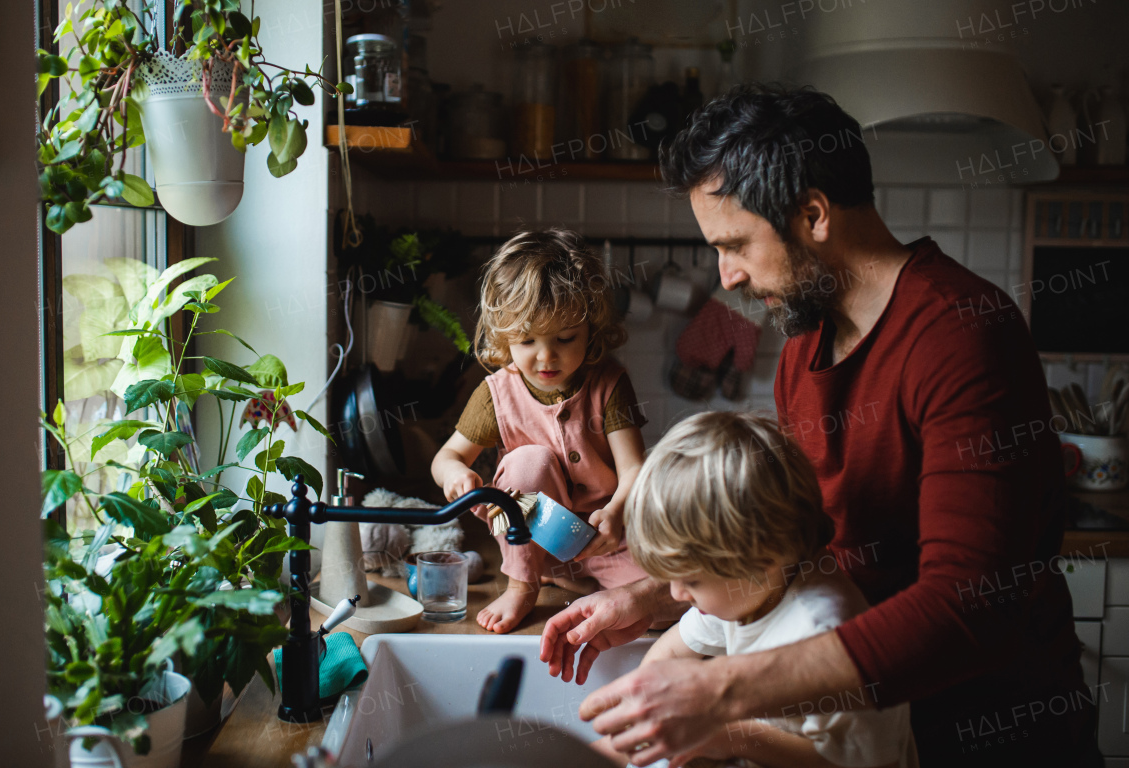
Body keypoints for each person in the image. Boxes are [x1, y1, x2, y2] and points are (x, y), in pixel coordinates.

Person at [538, 84, 1098, 767]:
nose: (730, 277)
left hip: (990, 737)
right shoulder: (805, 346)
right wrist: (654, 595)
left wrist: (720, 692)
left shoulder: (962, 334)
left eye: (735, 244)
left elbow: (965, 605)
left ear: (813, 213)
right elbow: (786, 541)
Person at [593, 411, 917, 768]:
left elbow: (855, 763)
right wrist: (629, 727)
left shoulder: (822, 633)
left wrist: (727, 736)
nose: (675, 595)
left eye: (691, 581)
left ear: (760, 558)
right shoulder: (747, 590)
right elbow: (670, 656)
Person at [430, 229, 649, 634]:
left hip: (605, 539)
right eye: (527, 340)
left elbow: (635, 469)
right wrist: (455, 475)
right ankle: (523, 583)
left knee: (663, 604)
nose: (546, 356)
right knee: (527, 462)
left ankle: (573, 573)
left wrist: (616, 515)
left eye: (565, 338)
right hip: (530, 533)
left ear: (591, 332)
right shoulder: (496, 393)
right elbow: (446, 458)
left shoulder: (609, 382)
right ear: (503, 336)